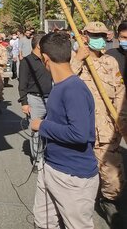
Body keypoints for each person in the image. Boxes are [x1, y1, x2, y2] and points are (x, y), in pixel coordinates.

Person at [31, 32, 98, 229]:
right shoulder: (60, 86)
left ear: (45, 59)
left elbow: (79, 133)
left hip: (73, 176)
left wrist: (41, 125)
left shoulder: (73, 89)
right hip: (52, 166)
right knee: (43, 221)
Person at [70, 21, 127, 225]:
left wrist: (123, 124)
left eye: (102, 35)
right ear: (84, 36)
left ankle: (108, 200)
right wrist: (78, 59)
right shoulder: (75, 61)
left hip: (106, 130)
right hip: (81, 130)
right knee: (82, 176)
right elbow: (61, 83)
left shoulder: (110, 62)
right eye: (94, 35)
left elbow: (120, 96)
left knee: (113, 178)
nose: (99, 39)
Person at [18, 33, 51, 169]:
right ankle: (38, 160)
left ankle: (48, 156)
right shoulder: (27, 61)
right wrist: (24, 103)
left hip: (50, 98)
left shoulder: (48, 60)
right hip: (34, 99)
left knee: (50, 130)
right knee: (36, 131)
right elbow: (22, 84)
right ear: (39, 45)